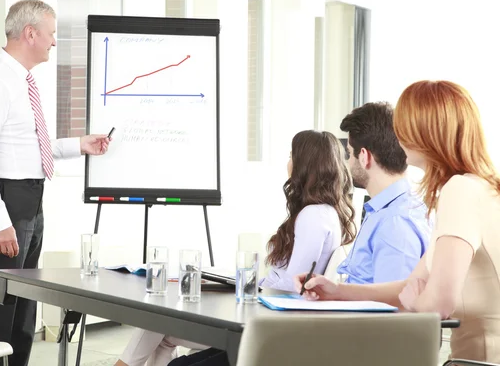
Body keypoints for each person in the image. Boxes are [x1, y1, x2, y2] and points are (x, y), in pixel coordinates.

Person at [295, 80, 500, 363]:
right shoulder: (480, 189)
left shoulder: (459, 191)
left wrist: (417, 301)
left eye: (404, 125)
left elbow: (437, 303)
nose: (398, 135)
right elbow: (411, 284)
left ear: (424, 132)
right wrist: (338, 292)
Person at [115, 130, 356, 366]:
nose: (288, 162)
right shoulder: (326, 212)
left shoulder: (312, 216)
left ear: (306, 164)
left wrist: (246, 284)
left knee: (158, 323)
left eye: (292, 156)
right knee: (162, 332)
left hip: (263, 323)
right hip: (265, 314)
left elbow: (293, 286)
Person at [0, 0, 111, 366]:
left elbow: (28, 146)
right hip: (7, 198)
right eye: (51, 34)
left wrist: (80, 145)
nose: (54, 42)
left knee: (24, 301)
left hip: (30, 195)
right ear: (30, 33)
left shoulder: (22, 81)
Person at [336, 102, 430, 284]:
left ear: (364, 156)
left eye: (349, 154)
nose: (347, 164)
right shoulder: (386, 211)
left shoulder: (395, 222)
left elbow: (391, 307)